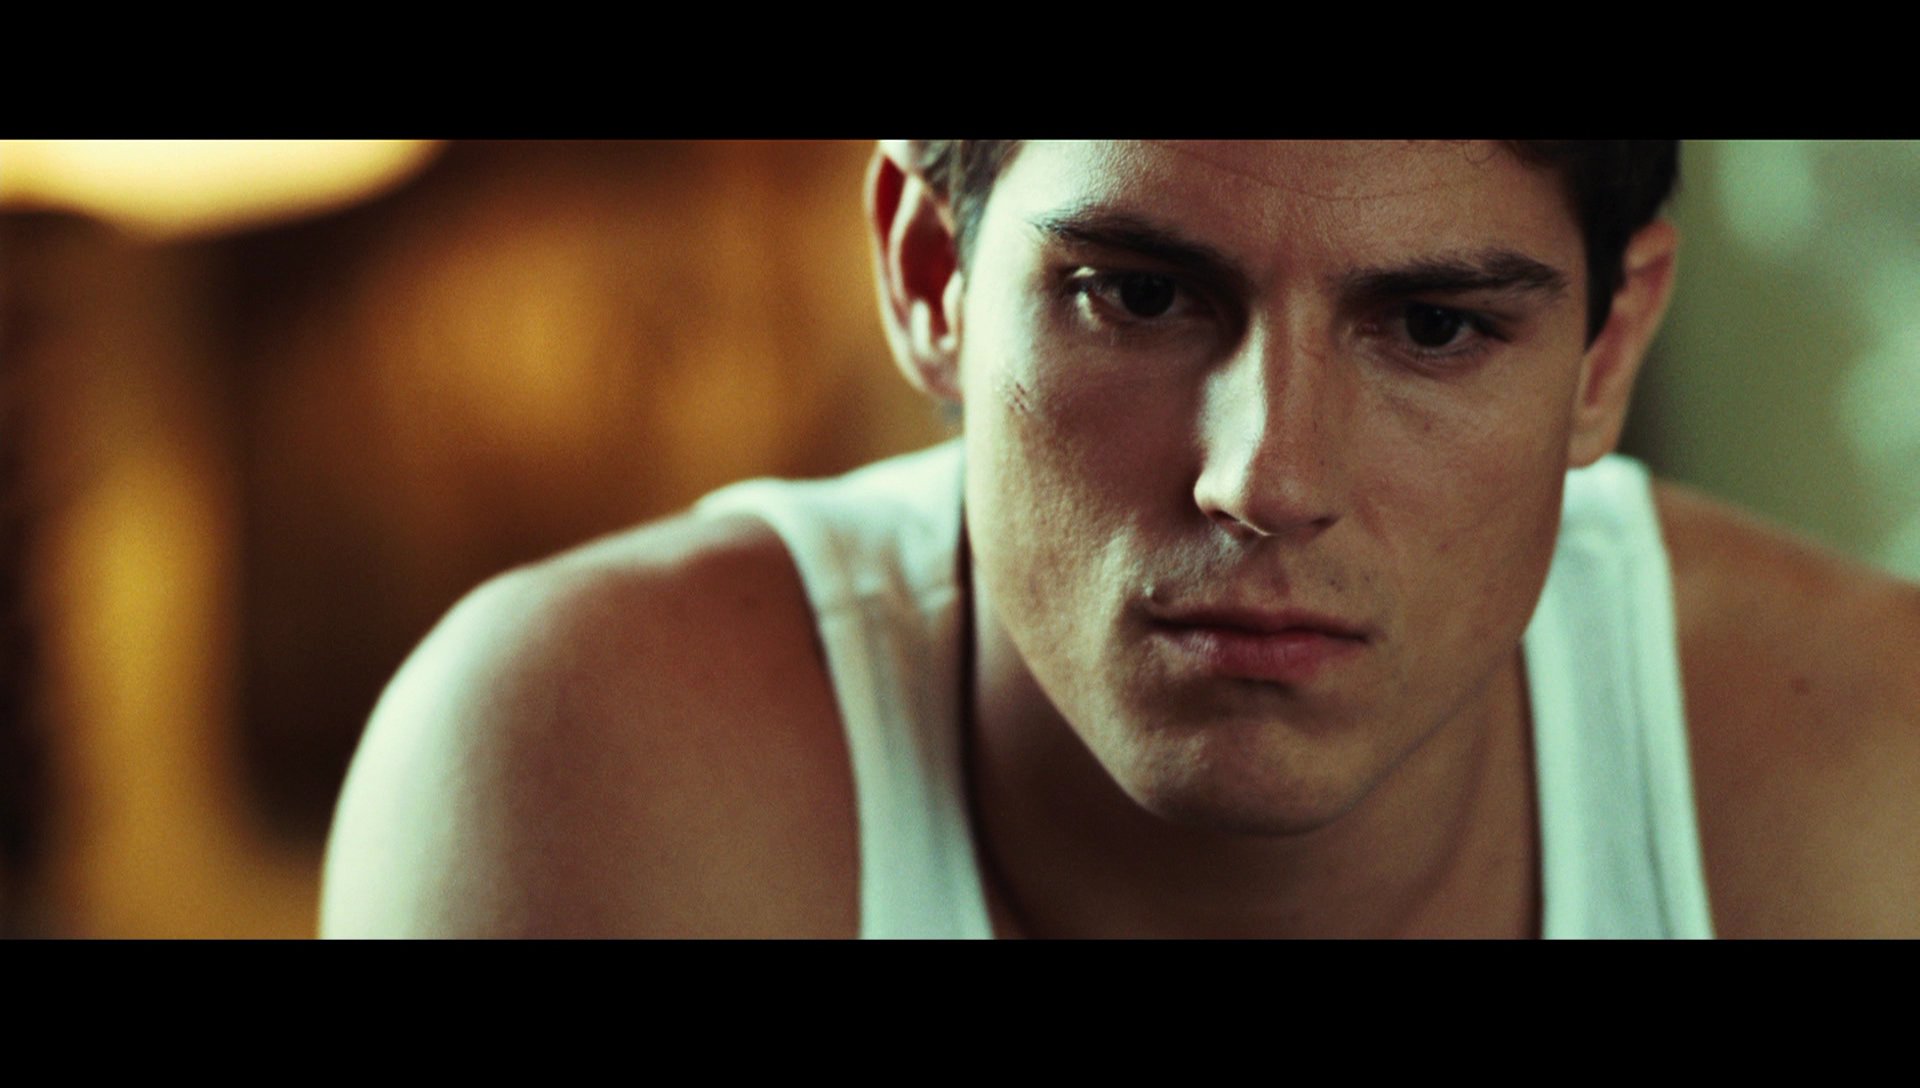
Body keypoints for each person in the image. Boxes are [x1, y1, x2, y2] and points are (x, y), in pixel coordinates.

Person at [319, 141, 1920, 938]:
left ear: (1608, 352)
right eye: (1139, 296)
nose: (1266, 477)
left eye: (1434, 327)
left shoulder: (1866, 788)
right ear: (931, 277)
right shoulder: (581, 772)